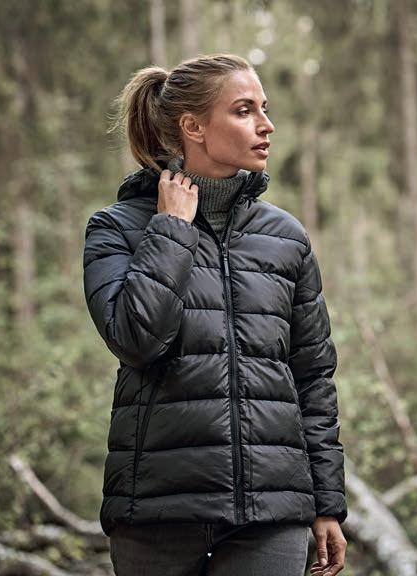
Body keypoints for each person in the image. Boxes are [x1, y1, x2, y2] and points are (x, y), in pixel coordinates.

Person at [83, 53, 347, 576]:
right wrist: (172, 230)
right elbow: (136, 339)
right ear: (194, 127)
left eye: (264, 109)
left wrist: (327, 502)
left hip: (270, 514)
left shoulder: (286, 238)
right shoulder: (117, 228)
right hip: (157, 513)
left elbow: (313, 378)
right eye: (245, 110)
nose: (266, 125)